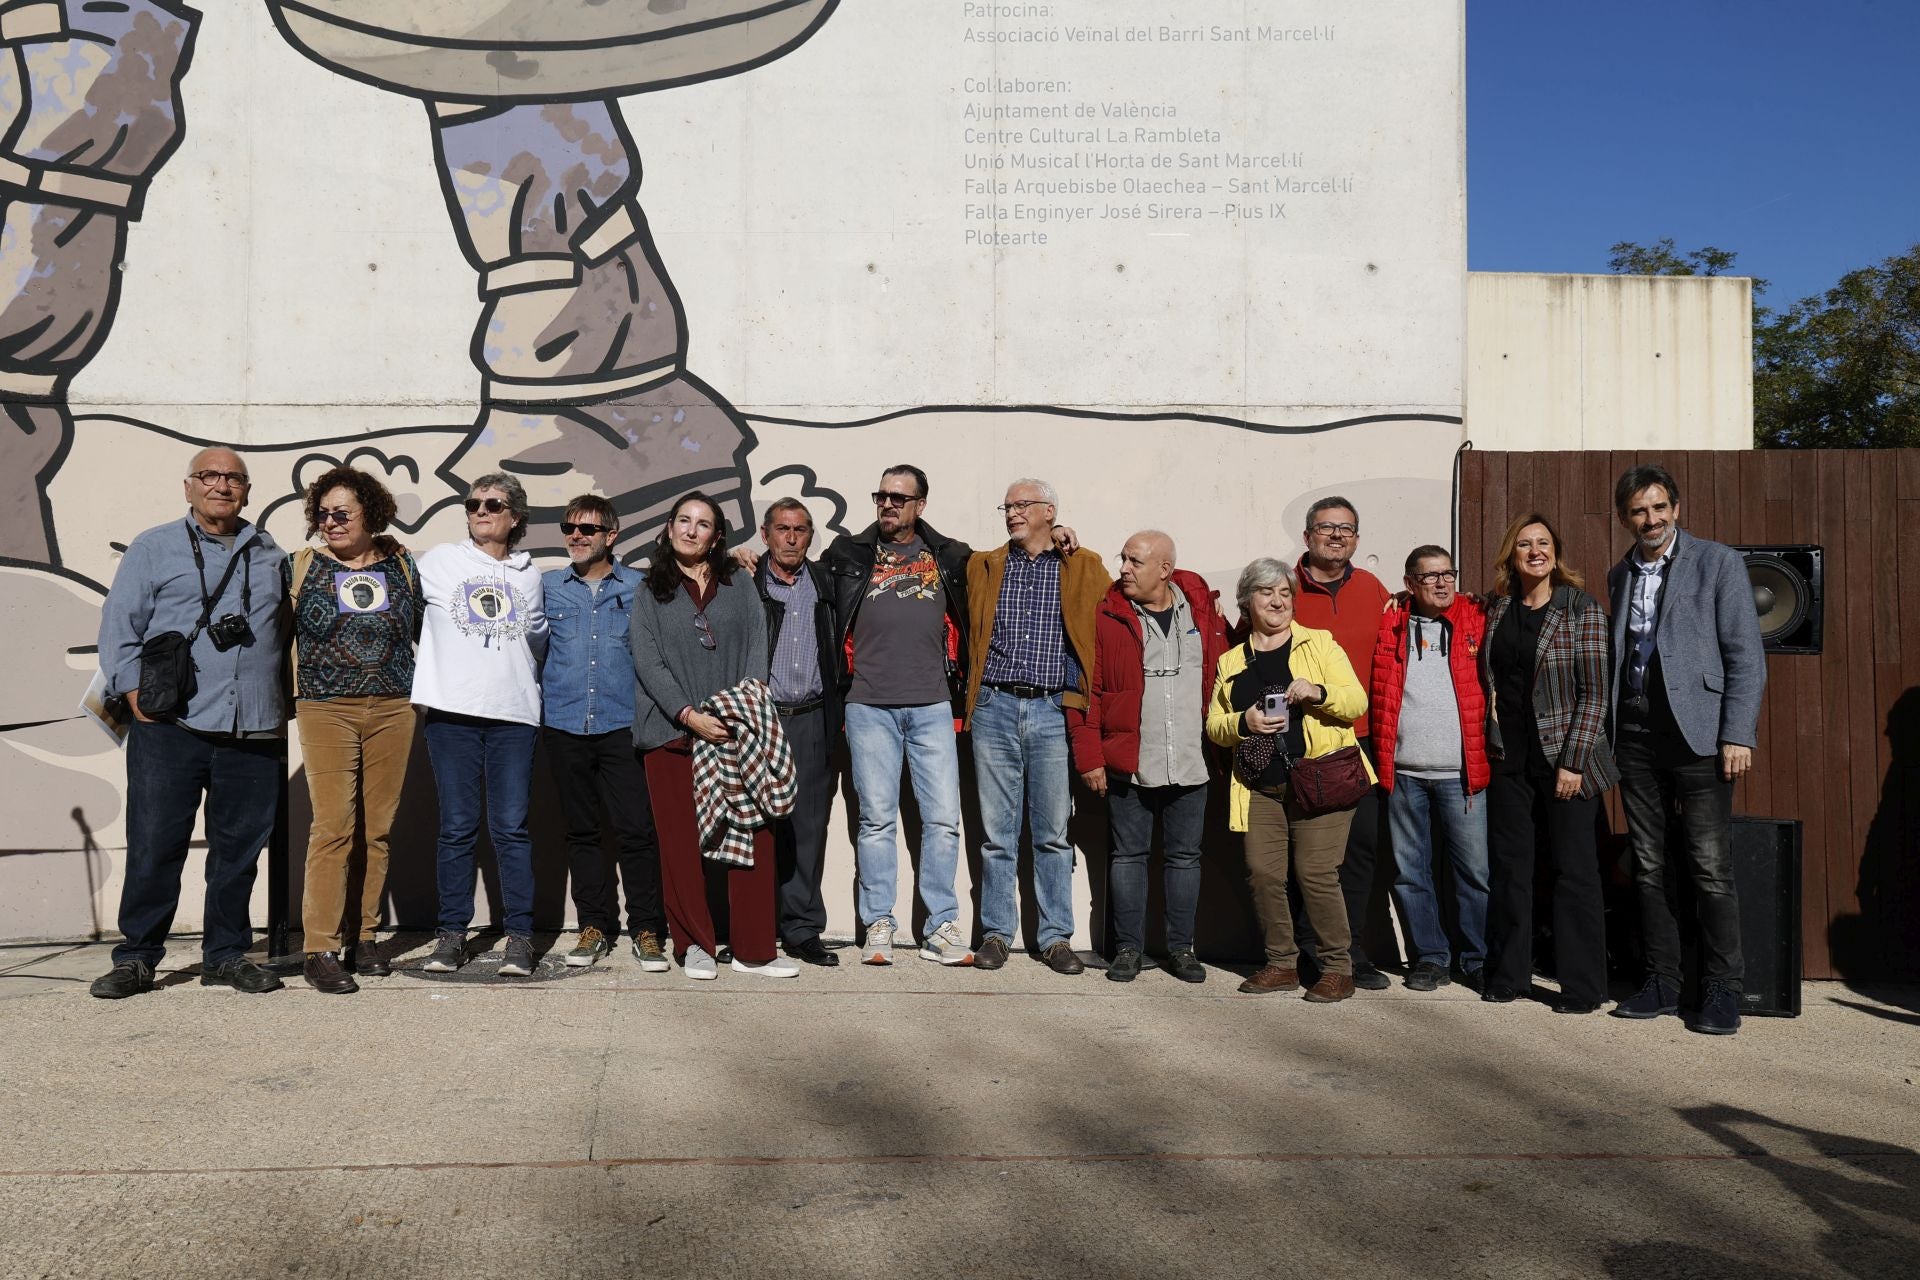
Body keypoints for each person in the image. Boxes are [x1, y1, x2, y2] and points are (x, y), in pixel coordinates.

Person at [90, 447, 288, 999]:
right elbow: (119, 628)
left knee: (239, 855)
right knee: (155, 845)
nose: (221, 486)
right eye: (209, 476)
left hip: (253, 727)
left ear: (246, 491)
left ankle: (224, 956)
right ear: (188, 487)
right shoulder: (153, 547)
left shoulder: (272, 554)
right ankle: (136, 957)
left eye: (233, 478)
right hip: (169, 725)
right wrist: (133, 693)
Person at [1607, 463, 1766, 1035]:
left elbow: (1745, 654)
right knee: (1649, 867)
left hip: (1700, 736)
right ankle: (1662, 983)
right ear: (1624, 518)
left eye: (1657, 508)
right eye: (1637, 511)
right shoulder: (1619, 573)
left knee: (1709, 868)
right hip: (1637, 738)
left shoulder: (1717, 562)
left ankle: (1724, 988)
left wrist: (1738, 732)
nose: (1649, 519)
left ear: (1676, 507)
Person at [630, 491, 797, 980]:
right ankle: (695, 945)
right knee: (681, 845)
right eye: (682, 520)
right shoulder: (649, 589)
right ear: (668, 527)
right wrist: (689, 715)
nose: (690, 529)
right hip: (672, 734)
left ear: (716, 535)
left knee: (754, 834)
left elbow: (756, 648)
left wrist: (738, 710)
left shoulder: (738, 581)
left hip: (736, 730)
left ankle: (754, 949)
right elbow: (648, 661)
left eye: (702, 524)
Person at [821, 465, 975, 968]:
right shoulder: (847, 554)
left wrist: (1058, 534)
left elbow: (1000, 571)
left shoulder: (950, 555)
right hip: (867, 705)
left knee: (942, 821)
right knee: (876, 821)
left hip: (932, 705)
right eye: (881, 495)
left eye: (898, 498)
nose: (887, 504)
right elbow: (798, 577)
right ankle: (879, 923)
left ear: (920, 505)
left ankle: (940, 927)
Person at [1207, 559, 1372, 1003]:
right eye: (1266, 592)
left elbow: (1356, 701)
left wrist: (1317, 693)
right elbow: (1215, 726)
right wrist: (1245, 721)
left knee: (1315, 873)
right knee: (1263, 873)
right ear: (1247, 602)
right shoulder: (1231, 661)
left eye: (1284, 593)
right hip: (1261, 784)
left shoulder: (1319, 644)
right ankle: (1281, 963)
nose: (1278, 601)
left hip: (1320, 779)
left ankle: (1338, 967)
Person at [286, 465, 424, 994]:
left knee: (378, 829)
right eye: (322, 513)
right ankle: (319, 947)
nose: (331, 521)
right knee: (333, 827)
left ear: (371, 512)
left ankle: (363, 936)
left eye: (343, 512)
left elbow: (421, 630)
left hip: (393, 705)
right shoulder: (301, 566)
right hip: (326, 707)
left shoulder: (401, 562)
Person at [966, 478, 1111, 975]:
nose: (1011, 513)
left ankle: (1054, 938)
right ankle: (996, 934)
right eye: (1006, 506)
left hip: (1052, 709)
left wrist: (1073, 542)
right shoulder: (985, 565)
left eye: (1022, 505)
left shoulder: (1082, 565)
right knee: (996, 833)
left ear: (1049, 511)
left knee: (1052, 832)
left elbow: (1105, 615)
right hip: (994, 705)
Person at [1069, 531, 1227, 983]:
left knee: (1184, 858)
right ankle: (1127, 949)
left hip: (1191, 760)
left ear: (1164, 569)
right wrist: (1090, 757)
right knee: (1127, 856)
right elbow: (1087, 692)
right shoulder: (1107, 615)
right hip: (1130, 759)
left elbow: (1229, 666)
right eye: (1123, 559)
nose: (1124, 569)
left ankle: (1181, 949)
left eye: (1134, 561)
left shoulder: (1200, 611)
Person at [412, 473, 549, 978]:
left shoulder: (530, 575)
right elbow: (402, 607)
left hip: (513, 715)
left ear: (515, 517)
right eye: (474, 503)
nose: (481, 510)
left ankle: (519, 937)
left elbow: (536, 642)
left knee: (511, 829)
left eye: (494, 504)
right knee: (456, 828)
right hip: (452, 716)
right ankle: (451, 935)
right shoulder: (439, 561)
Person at [1481, 514, 1617, 1013]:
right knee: (1512, 869)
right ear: (1510, 555)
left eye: (1543, 543)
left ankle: (1583, 987)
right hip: (1509, 759)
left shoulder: (1582, 610)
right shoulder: (1497, 610)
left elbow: (1596, 693)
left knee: (1574, 872)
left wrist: (1575, 761)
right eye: (1524, 544)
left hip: (1565, 760)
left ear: (1555, 552)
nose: (1535, 551)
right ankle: (1510, 974)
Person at [540, 495, 670, 972]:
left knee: (636, 831)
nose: (576, 536)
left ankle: (648, 929)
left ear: (610, 536)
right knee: (582, 832)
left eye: (587, 529)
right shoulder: (548, 586)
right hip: (564, 723)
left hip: (622, 726)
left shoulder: (640, 586)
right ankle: (594, 925)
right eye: (569, 527)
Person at [1370, 546, 1492, 992]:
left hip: (1463, 774)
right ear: (1409, 584)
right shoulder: (1390, 621)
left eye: (1448, 574)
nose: (1442, 583)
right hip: (1403, 773)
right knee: (1410, 872)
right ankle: (1430, 957)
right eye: (1430, 577)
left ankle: (1477, 957)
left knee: (1474, 873)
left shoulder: (1477, 617)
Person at [1289, 497, 1394, 990]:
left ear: (1357, 539)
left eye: (1346, 529)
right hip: (1302, 745)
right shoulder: (1282, 589)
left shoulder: (1373, 589)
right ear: (1307, 536)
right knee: (1305, 855)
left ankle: (1348, 952)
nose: (1336, 536)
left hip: (1362, 743)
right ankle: (1304, 952)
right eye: (1326, 528)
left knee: (1360, 851)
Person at [751, 497, 845, 967]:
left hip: (811, 717)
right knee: (753, 826)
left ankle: (802, 929)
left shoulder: (827, 583)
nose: (791, 537)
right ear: (765, 533)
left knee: (808, 827)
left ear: (811, 536)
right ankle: (751, 927)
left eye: (801, 529)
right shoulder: (744, 582)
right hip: (759, 721)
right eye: (783, 528)